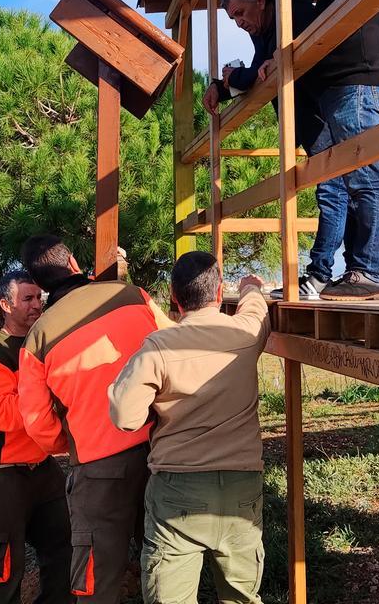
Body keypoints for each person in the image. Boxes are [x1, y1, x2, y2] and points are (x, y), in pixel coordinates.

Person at [17, 234, 173, 604]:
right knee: (168, 560)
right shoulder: (135, 297)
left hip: (100, 468)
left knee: (96, 577)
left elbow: (37, 421)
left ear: (39, 285)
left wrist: (73, 441)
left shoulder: (38, 339)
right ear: (72, 263)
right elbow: (176, 345)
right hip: (161, 448)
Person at [108, 252, 270, 604]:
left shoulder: (158, 348)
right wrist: (250, 288)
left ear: (174, 296)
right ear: (218, 292)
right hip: (242, 484)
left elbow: (124, 417)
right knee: (243, 595)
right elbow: (256, 307)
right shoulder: (247, 333)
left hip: (178, 488)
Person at [201, 0, 350, 300]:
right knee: (338, 190)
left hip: (324, 113)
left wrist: (241, 75)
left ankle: (321, 274)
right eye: (233, 18)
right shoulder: (264, 33)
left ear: (260, 0)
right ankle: (340, 272)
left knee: (335, 191)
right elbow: (257, 74)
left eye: (241, 13)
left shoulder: (292, 6)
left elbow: (273, 62)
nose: (239, 23)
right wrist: (219, 85)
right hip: (311, 121)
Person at [293, 0, 379, 301]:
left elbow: (333, 27)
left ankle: (370, 271)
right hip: (350, 87)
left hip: (358, 86)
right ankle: (361, 270)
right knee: (357, 179)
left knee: (365, 177)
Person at [0, 269, 71, 604]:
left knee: (66, 547)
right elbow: (3, 414)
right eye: (27, 298)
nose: (36, 305)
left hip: (42, 467)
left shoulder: (42, 344)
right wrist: (51, 395)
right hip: (2, 473)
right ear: (5, 304)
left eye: (39, 297)